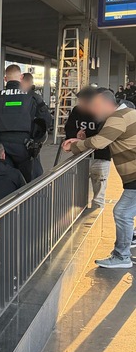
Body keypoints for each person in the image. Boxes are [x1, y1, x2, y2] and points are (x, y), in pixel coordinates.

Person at [63, 87, 136, 268]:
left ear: (106, 103)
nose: (92, 110)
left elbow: (99, 142)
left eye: (95, 106)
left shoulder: (117, 118)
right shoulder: (128, 112)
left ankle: (122, 257)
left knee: (122, 212)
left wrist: (74, 146)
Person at [0, 63, 52, 181]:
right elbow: (46, 120)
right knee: (30, 181)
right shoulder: (33, 97)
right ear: (21, 77)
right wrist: (36, 140)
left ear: (5, 79)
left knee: (2, 180)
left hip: (0, 146)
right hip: (25, 146)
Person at [64, 88, 111, 209]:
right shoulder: (77, 111)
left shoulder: (103, 113)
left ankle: (97, 213)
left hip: (101, 157)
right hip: (81, 157)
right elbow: (68, 129)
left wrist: (86, 140)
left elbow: (105, 136)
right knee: (79, 192)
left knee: (99, 193)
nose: (81, 105)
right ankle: (80, 211)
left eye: (83, 102)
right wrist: (76, 135)